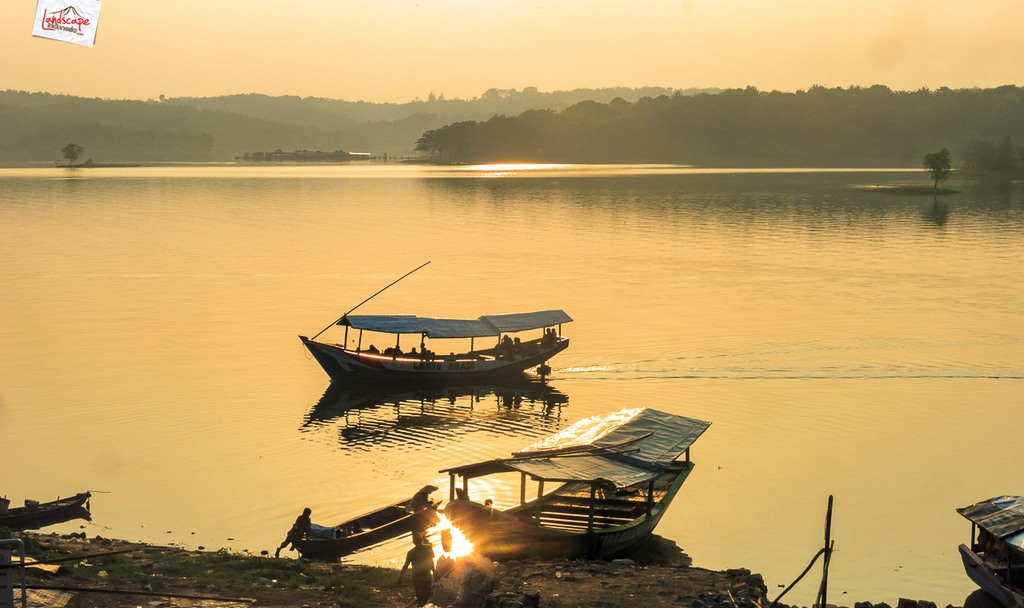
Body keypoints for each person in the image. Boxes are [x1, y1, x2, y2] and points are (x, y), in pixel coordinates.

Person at [397, 533, 436, 607]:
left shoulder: (428, 548)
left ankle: (421, 605)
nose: (419, 541)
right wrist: (400, 578)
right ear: (414, 542)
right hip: (416, 577)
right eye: (417, 539)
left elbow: (431, 562)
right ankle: (420, 605)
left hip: (427, 576)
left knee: (427, 595)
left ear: (422, 539)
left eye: (420, 539)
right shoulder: (411, 553)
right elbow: (405, 566)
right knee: (420, 594)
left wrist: (435, 573)